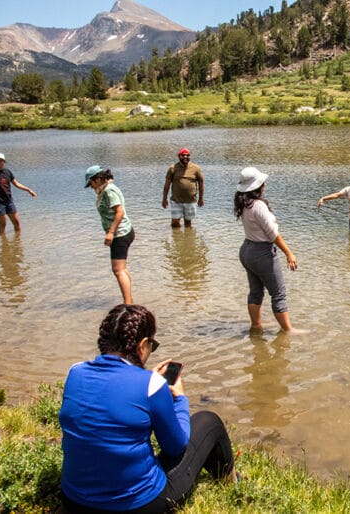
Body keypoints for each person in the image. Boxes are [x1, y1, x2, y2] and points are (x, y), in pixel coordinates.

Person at [59, 304, 235, 513]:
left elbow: (113, 394)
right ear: (142, 344)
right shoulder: (151, 384)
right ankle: (231, 484)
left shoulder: (75, 372)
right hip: (139, 505)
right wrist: (179, 399)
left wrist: (147, 380)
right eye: (153, 344)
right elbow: (176, 446)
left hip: (74, 501)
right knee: (209, 421)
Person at [234, 167, 298, 332]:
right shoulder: (258, 206)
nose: (265, 185)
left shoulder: (244, 203)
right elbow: (272, 234)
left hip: (246, 250)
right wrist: (289, 253)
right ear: (258, 186)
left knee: (255, 291)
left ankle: (256, 326)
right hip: (261, 253)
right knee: (278, 294)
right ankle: (288, 331)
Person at [85, 165, 135, 304]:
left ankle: (128, 305)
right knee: (122, 269)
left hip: (120, 234)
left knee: (118, 270)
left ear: (99, 179)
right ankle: (129, 299)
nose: (91, 186)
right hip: (124, 232)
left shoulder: (109, 191)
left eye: (91, 183)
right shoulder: (106, 189)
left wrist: (111, 233)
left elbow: (120, 212)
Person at [162, 148, 204, 228]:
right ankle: (177, 236)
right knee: (175, 223)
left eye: (187, 155)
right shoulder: (172, 168)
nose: (185, 157)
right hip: (176, 201)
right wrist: (164, 199)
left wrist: (201, 198)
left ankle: (185, 239)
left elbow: (201, 183)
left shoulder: (196, 168)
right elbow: (167, 185)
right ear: (179, 156)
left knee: (188, 224)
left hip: (190, 200)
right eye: (183, 155)